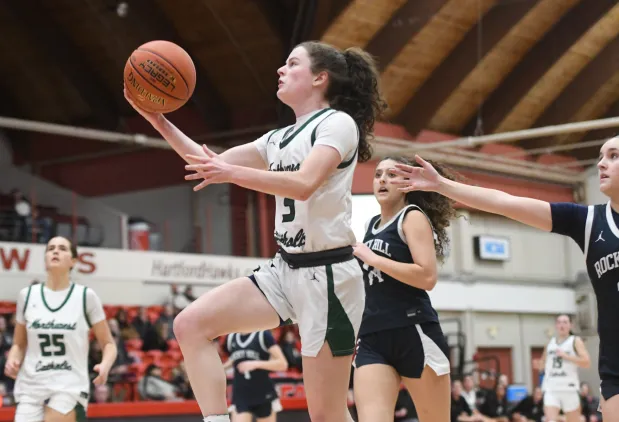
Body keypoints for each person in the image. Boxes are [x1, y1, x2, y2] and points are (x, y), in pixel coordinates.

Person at [125, 40, 386, 422]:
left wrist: (230, 173)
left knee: (327, 414)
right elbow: (205, 163)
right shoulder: (277, 138)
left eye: (291, 63)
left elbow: (304, 182)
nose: (280, 70)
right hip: (285, 269)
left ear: (319, 77)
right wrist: (159, 120)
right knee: (191, 325)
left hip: (329, 278)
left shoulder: (338, 123)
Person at [391, 141, 619, 422]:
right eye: (600, 156)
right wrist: (441, 185)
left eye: (614, 156)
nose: (601, 163)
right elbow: (504, 202)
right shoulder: (587, 221)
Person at [351, 157, 455, 422]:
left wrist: (374, 259)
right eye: (378, 174)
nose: (382, 179)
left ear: (408, 183)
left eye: (392, 175)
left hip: (413, 329)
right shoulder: (370, 226)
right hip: (372, 333)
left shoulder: (412, 217)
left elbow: (428, 276)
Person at [3, 236, 117, 422]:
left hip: (69, 385)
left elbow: (108, 344)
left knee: (54, 418)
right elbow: (19, 343)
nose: (55, 251)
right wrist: (13, 360)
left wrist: (105, 366)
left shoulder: (85, 296)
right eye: (51, 248)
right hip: (31, 385)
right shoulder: (27, 295)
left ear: (73, 261)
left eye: (62, 248)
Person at [534, 314, 590, 422]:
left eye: (565, 322)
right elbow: (543, 364)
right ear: (556, 325)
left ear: (570, 325)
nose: (562, 325)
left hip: (569, 388)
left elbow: (586, 363)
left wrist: (567, 356)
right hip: (551, 387)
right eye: (559, 322)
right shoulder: (550, 343)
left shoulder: (575, 341)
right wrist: (539, 364)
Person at [223, 330, 288, 422]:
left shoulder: (263, 335)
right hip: (241, 394)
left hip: (263, 393)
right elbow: (235, 358)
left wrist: (255, 364)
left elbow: (283, 364)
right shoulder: (230, 337)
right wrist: (221, 368)